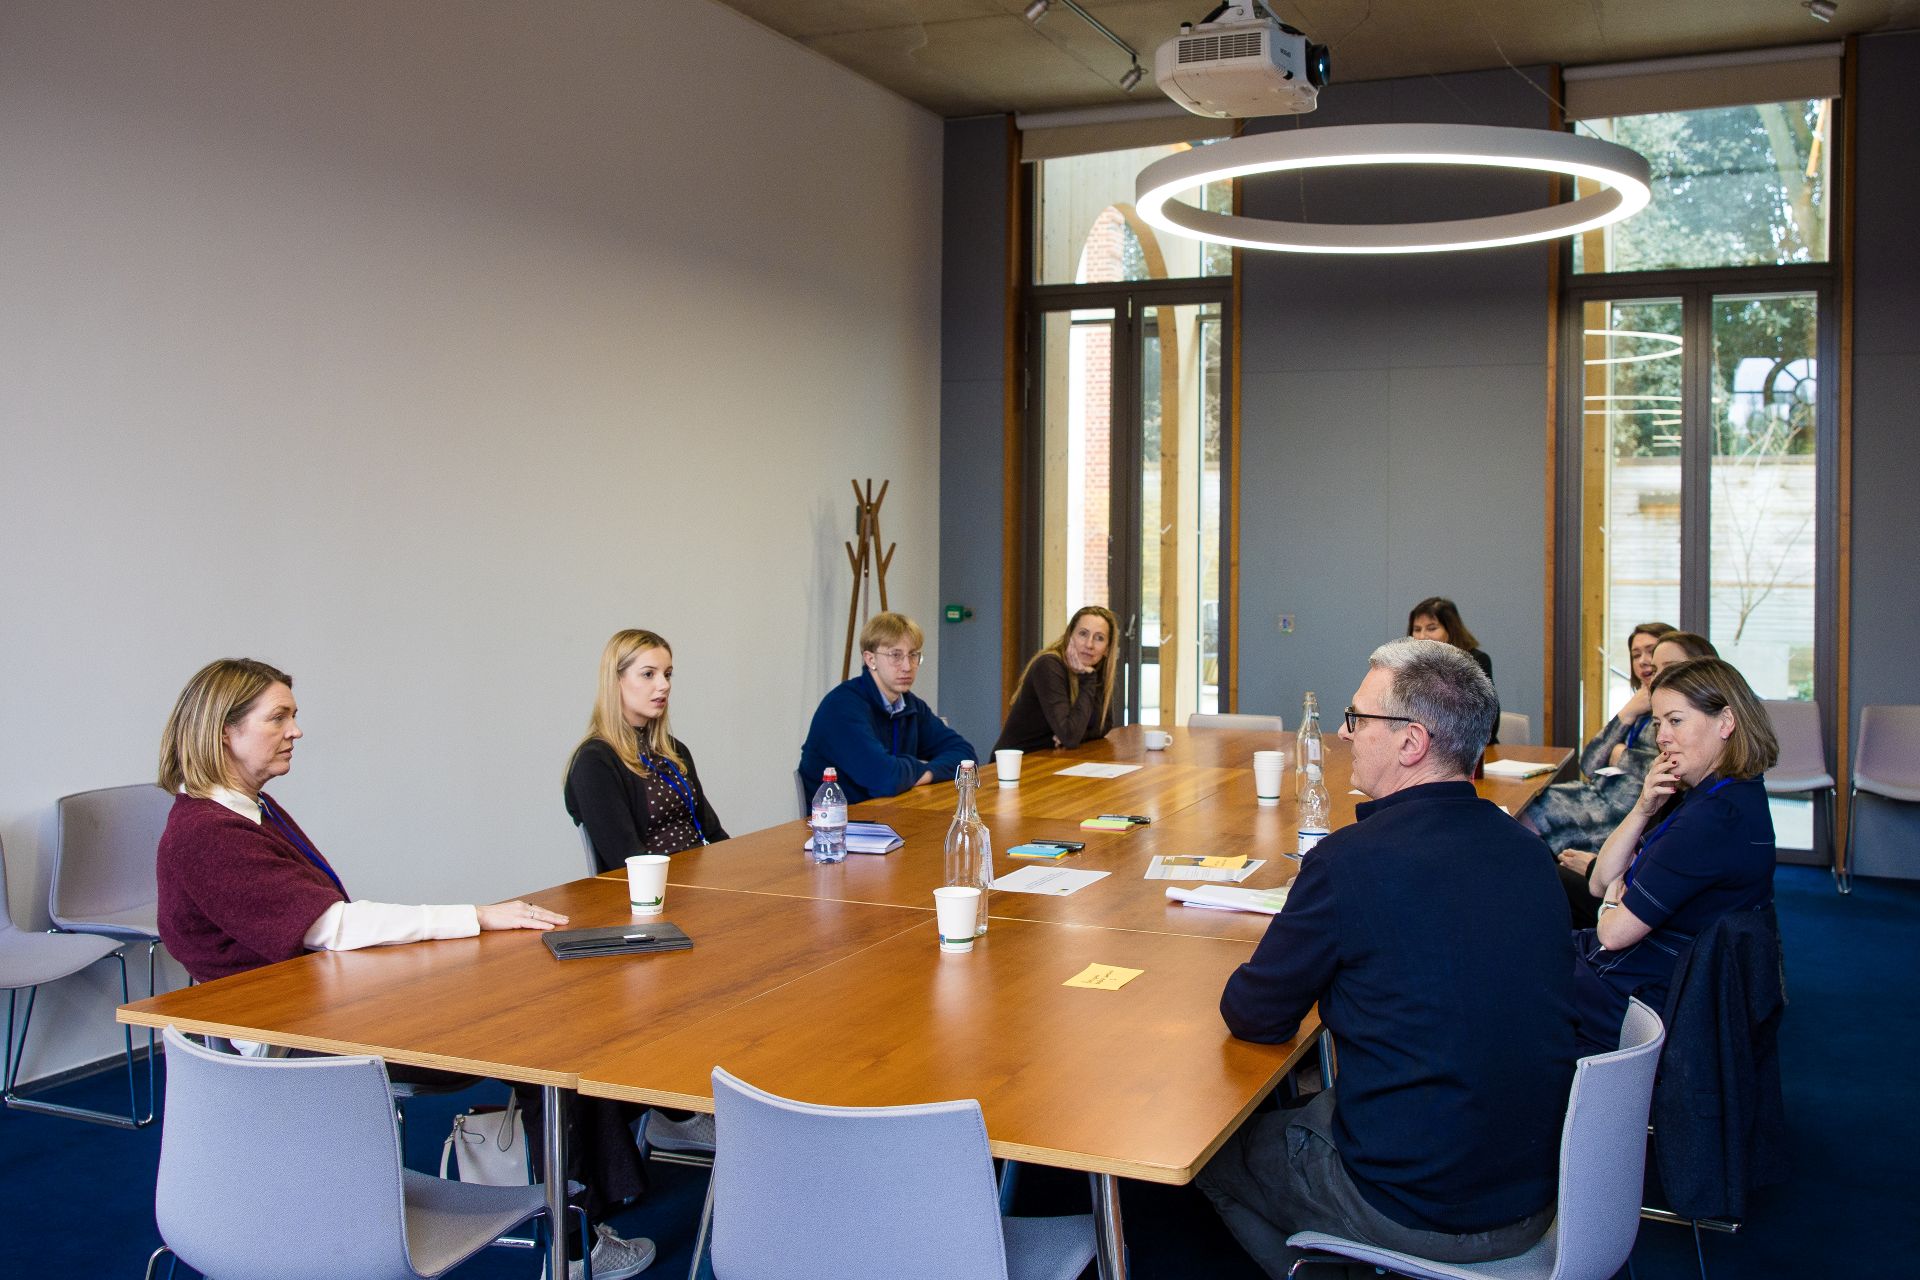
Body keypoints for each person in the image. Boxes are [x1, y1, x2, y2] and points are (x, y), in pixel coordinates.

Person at [153, 658, 655, 1280]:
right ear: (224, 732)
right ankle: (577, 1242)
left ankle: (590, 1202)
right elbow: (330, 925)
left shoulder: (248, 811)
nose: (296, 731)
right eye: (278, 718)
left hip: (321, 1006)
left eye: (293, 716)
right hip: (299, 1041)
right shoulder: (209, 832)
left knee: (555, 1018)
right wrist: (477, 916)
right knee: (543, 1038)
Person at [1197, 639, 1577, 1278]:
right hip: (1535, 1194)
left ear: (1412, 742)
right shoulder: (1527, 852)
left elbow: (1255, 1016)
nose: (1345, 734)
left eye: (1357, 718)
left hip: (1411, 1206)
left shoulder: (1349, 863)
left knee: (1211, 1152)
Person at [1571, 656, 1778, 1055]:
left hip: (1636, 994)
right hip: (1652, 976)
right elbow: (1600, 881)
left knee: (1505, 967)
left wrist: (1611, 907)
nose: (1662, 737)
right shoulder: (1726, 794)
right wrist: (1643, 807)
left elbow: (1612, 933)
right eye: (1657, 724)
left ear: (1726, 722)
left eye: (1675, 721)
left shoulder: (1710, 822)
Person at [1531, 629, 1718, 924]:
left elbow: (1669, 772)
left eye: (1665, 666)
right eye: (1638, 656)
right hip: (1610, 802)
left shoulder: (1706, 782)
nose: (1648, 667)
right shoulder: (1645, 711)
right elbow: (1590, 762)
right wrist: (1628, 712)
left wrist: (1621, 755)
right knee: (1534, 809)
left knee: (1532, 834)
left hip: (1620, 814)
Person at [566, 629, 728, 873]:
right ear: (616, 680)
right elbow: (626, 859)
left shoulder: (674, 750)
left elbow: (713, 833)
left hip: (700, 877)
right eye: (648, 674)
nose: (664, 685)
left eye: (667, 674)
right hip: (653, 888)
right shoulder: (595, 762)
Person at [798, 612, 976, 804]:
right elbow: (885, 778)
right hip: (843, 819)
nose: (907, 666)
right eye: (895, 655)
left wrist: (924, 772)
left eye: (913, 655)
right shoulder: (842, 707)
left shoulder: (910, 705)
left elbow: (966, 757)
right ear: (871, 660)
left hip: (894, 811)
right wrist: (919, 768)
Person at [992, 605, 1120, 754]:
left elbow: (1105, 724)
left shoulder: (1093, 669)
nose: (1089, 644)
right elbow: (1070, 737)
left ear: (1107, 649)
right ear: (1069, 636)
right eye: (1083, 634)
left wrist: (1080, 735)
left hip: (1053, 758)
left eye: (1099, 638)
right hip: (1019, 762)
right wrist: (1087, 680)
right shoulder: (1049, 665)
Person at [1407, 596, 1499, 743]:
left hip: (1469, 747)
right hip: (1423, 746)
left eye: (1432, 628)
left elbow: (1488, 722)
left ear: (1451, 630)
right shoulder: (1410, 664)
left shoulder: (1476, 661)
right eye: (1417, 629)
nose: (1422, 636)